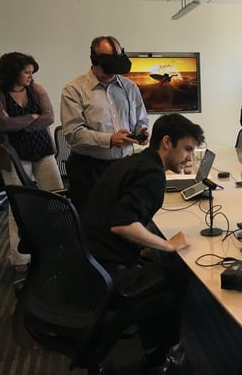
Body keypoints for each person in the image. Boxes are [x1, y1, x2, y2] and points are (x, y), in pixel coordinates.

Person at [81, 113, 205, 374]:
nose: (189, 158)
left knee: (161, 261)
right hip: (107, 267)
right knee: (176, 274)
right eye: (187, 149)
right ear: (167, 142)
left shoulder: (136, 161)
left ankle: (154, 347)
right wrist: (167, 245)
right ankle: (161, 356)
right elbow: (122, 225)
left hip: (87, 257)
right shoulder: (152, 174)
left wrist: (150, 244)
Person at [0, 52, 64, 274]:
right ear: (12, 73)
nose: (31, 77)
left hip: (43, 152)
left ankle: (60, 246)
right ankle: (20, 258)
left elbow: (48, 117)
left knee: (57, 199)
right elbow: (3, 123)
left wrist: (20, 123)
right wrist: (32, 117)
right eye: (26, 72)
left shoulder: (37, 90)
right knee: (19, 206)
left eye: (32, 72)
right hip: (14, 157)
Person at [60, 35, 149, 212]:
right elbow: (73, 133)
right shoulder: (74, 89)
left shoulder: (129, 87)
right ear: (94, 59)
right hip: (89, 169)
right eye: (108, 68)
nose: (112, 73)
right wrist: (109, 140)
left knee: (123, 216)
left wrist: (142, 131)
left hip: (124, 165)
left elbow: (141, 118)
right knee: (92, 220)